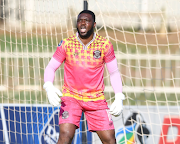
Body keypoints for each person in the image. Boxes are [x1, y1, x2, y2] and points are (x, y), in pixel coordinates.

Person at [43, 10, 125, 144]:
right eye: (80, 20)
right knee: (65, 135)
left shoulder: (104, 45)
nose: (82, 23)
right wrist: (48, 86)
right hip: (71, 97)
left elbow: (114, 72)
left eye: (86, 20)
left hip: (95, 98)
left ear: (94, 24)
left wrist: (119, 96)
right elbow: (51, 67)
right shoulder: (67, 44)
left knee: (110, 139)